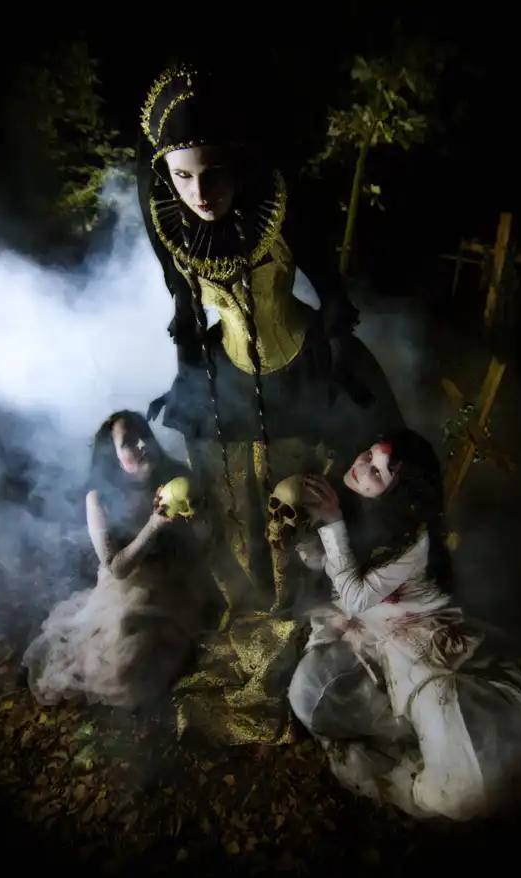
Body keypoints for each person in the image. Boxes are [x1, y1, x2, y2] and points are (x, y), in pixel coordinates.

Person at [136, 63, 405, 744]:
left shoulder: (281, 206)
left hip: (301, 362)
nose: (199, 193)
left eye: (213, 174)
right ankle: (256, 600)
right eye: (183, 177)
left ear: (237, 163)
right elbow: (186, 312)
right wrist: (183, 376)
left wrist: (339, 353)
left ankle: (326, 598)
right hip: (224, 370)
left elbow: (331, 291)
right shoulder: (169, 218)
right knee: (235, 491)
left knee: (314, 483)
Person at [288, 429, 521, 820]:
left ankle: (423, 740)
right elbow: (341, 568)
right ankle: (407, 729)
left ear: (399, 491)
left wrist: (332, 522)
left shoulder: (413, 541)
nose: (361, 466)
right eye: (367, 454)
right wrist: (314, 546)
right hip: (373, 636)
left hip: (422, 641)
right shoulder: (355, 501)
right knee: (308, 693)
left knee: (468, 783)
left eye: (377, 470)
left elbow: (355, 595)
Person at [22, 411, 210, 710]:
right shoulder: (100, 498)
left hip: (178, 574)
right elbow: (117, 568)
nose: (142, 445)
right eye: (129, 442)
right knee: (123, 667)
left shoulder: (176, 476)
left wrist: (196, 519)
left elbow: (205, 539)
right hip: (131, 584)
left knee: (182, 641)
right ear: (113, 455)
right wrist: (154, 525)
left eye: (144, 435)